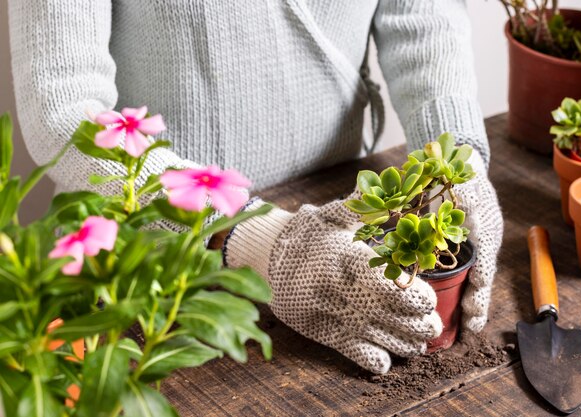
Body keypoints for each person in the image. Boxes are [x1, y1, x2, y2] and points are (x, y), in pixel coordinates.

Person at [9, 0, 503, 374]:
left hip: (347, 229)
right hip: (147, 270)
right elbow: (64, 107)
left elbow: (422, 17)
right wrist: (249, 234)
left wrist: (457, 159)